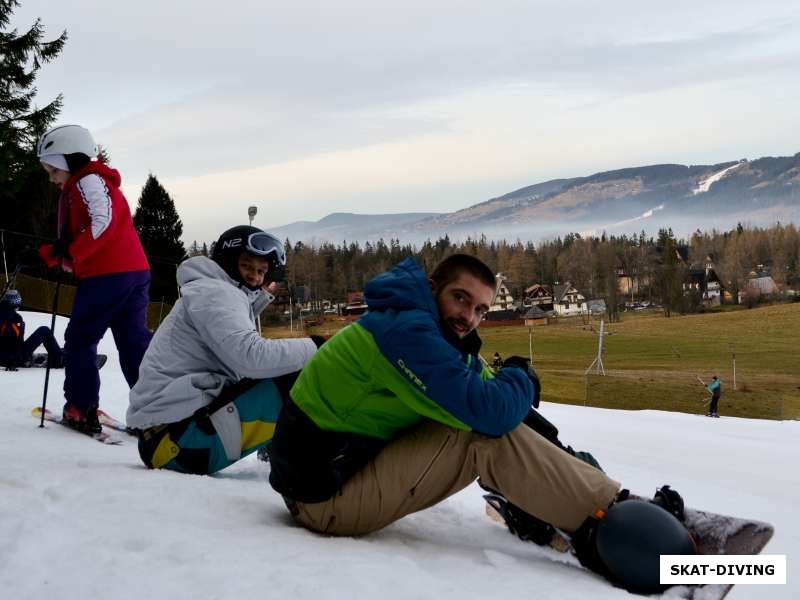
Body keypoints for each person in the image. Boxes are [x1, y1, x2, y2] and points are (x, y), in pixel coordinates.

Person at [268, 254, 694, 594]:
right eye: (460, 299)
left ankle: (594, 503)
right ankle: (604, 528)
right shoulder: (403, 336)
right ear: (433, 289)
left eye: (480, 309)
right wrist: (523, 376)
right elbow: (489, 414)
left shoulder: (422, 328)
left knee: (483, 418)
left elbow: (503, 403)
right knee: (473, 434)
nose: (469, 316)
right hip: (323, 501)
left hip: (347, 471)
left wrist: (567, 458)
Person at [127, 225, 320, 475]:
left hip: (171, 436)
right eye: (247, 266)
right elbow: (251, 357)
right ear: (228, 262)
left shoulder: (214, 291)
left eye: (261, 270)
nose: (255, 276)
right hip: (179, 443)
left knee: (282, 366)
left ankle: (281, 449)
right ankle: (309, 462)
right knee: (296, 375)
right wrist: (317, 347)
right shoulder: (216, 293)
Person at [36, 124, 152, 434]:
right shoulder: (92, 182)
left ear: (71, 160)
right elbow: (98, 228)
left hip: (108, 275)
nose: (52, 178)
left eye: (54, 169)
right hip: (132, 271)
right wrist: (61, 255)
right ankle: (156, 416)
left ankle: (79, 407)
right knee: (133, 344)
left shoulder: (87, 179)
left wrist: (71, 251)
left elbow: (102, 221)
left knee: (80, 340)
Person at [0, 289, 64, 370]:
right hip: (14, 359)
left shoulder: (5, 315)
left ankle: (57, 352)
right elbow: (15, 341)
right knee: (44, 330)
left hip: (8, 357)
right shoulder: (14, 318)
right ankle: (58, 359)